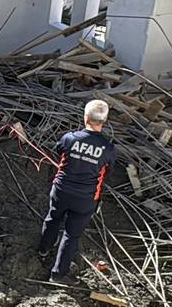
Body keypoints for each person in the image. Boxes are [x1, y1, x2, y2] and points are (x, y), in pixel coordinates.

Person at [38, 99, 119, 282]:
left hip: (61, 190)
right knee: (71, 235)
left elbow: (59, 150)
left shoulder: (70, 138)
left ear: (85, 117)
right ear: (103, 121)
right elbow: (108, 171)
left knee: (52, 218)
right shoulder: (108, 149)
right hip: (85, 198)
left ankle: (43, 250)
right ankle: (58, 274)